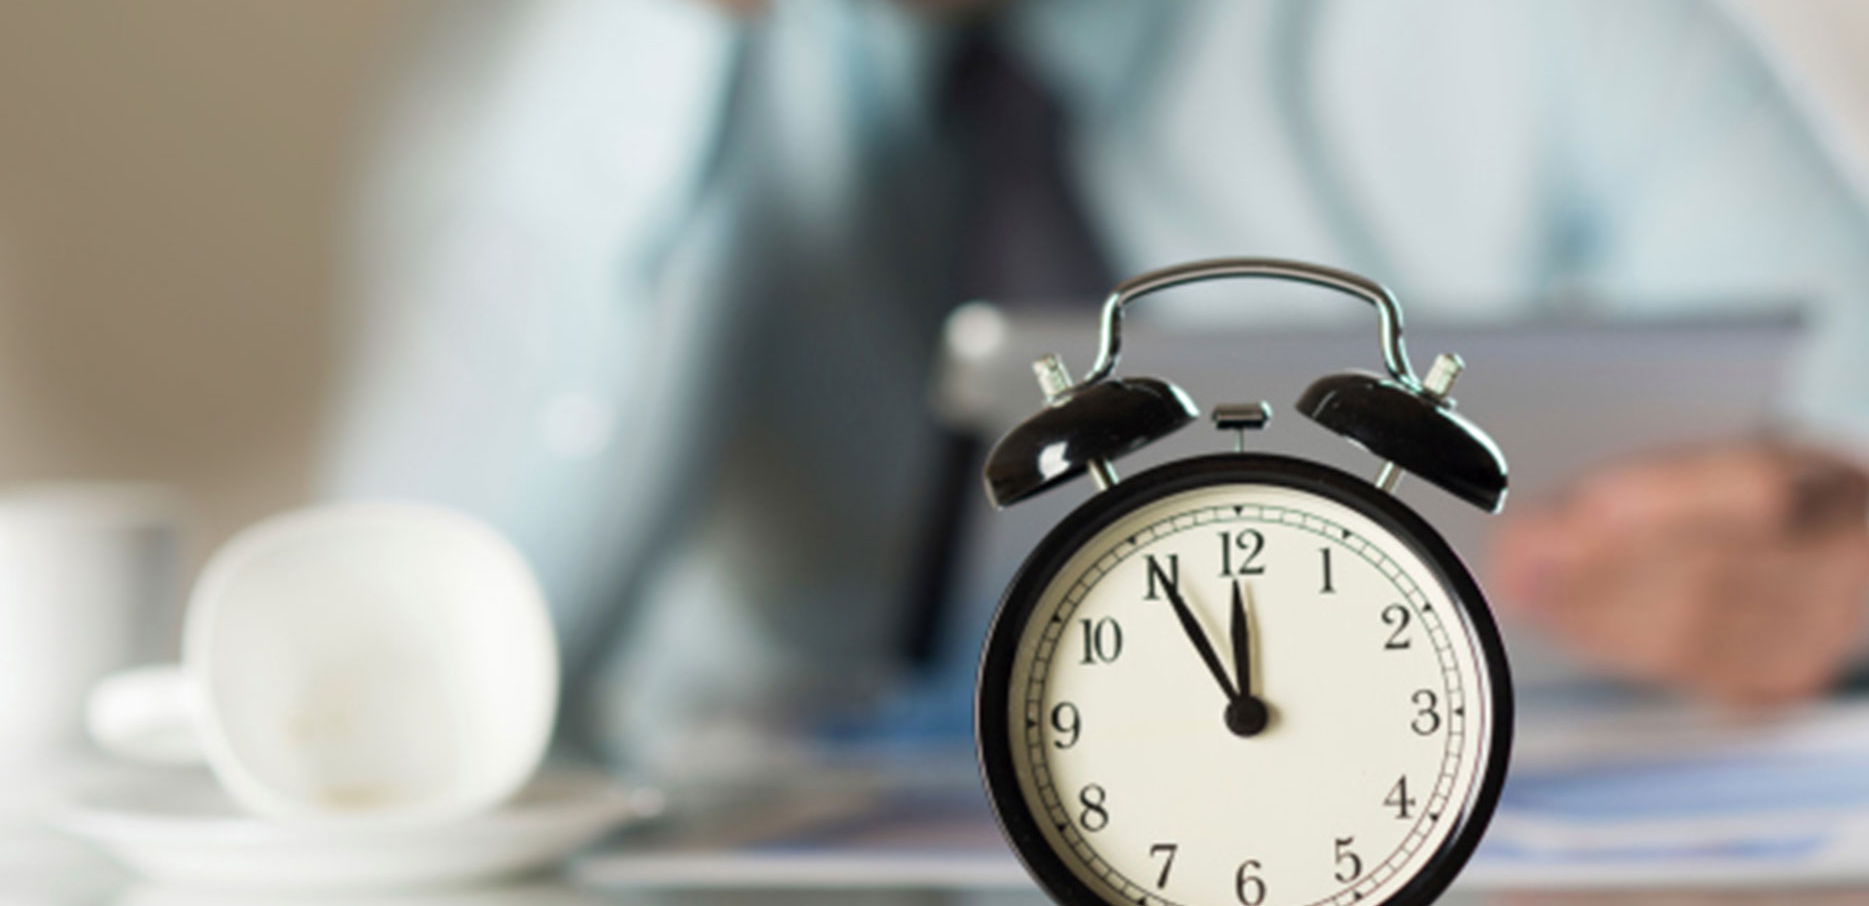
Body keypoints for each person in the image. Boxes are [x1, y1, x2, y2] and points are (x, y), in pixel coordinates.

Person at [324, 0, 1869, 771]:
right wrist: (667, 46)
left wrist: (1847, 580)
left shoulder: (1542, 33)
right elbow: (378, 688)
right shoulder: (583, 74)